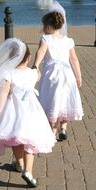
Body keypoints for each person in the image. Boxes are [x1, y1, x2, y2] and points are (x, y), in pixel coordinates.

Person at [0, 38, 56, 188]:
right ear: (28, 58)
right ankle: (28, 171)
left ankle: (19, 164)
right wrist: (36, 66)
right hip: (32, 112)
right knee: (30, 142)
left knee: (16, 138)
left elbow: (4, 92)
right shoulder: (33, 73)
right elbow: (38, 75)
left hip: (13, 112)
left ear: (11, 59)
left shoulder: (9, 73)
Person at [33, 11, 84, 141]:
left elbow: (41, 52)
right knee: (64, 100)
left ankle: (52, 131)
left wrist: (36, 65)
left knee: (51, 100)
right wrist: (78, 76)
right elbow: (74, 59)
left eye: (44, 26)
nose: (43, 29)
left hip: (52, 75)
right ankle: (63, 128)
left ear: (49, 27)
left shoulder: (46, 38)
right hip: (67, 75)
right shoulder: (68, 41)